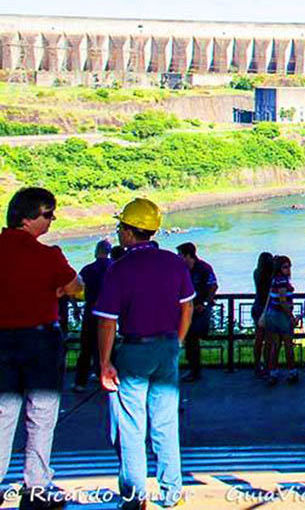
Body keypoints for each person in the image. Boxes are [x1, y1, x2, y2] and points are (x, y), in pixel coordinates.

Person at [94, 198, 194, 510]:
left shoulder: (119, 269)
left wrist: (105, 362)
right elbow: (187, 305)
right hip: (166, 348)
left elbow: (107, 321)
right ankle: (171, 490)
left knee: (130, 426)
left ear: (127, 231)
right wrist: (177, 340)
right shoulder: (174, 262)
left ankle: (135, 495)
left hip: (134, 349)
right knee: (165, 423)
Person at [0, 187, 81, 510]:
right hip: (41, 341)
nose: (52, 220)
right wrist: (59, 289)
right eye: (48, 214)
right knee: (42, 414)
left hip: (1, 341)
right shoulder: (49, 256)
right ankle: (37, 486)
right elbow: (76, 288)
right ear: (28, 218)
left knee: (3, 414)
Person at [74, 239, 113, 392]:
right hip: (109, 312)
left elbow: (75, 287)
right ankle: (106, 375)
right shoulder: (114, 267)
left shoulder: (88, 269)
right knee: (108, 346)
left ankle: (80, 382)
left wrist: (76, 307)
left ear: (97, 251)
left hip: (91, 311)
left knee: (86, 347)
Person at [176, 242, 218, 382]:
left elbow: (213, 285)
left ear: (188, 255)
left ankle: (195, 370)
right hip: (185, 309)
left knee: (193, 337)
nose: (178, 257)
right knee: (189, 339)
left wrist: (205, 303)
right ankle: (193, 368)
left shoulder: (204, 268)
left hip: (199, 310)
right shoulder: (181, 270)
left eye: (180, 254)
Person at [262, 255, 299, 385]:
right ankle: (292, 372)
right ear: (279, 268)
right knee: (288, 345)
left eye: (289, 267)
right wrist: (291, 317)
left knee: (275, 346)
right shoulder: (282, 281)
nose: (288, 270)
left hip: (272, 314)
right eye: (285, 267)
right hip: (281, 316)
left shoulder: (274, 280)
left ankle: (273, 373)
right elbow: (283, 301)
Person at [251, 251, 274, 377]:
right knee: (268, 339)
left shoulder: (257, 273)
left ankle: (256, 365)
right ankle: (267, 366)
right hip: (266, 309)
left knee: (258, 339)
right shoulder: (270, 276)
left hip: (256, 306)